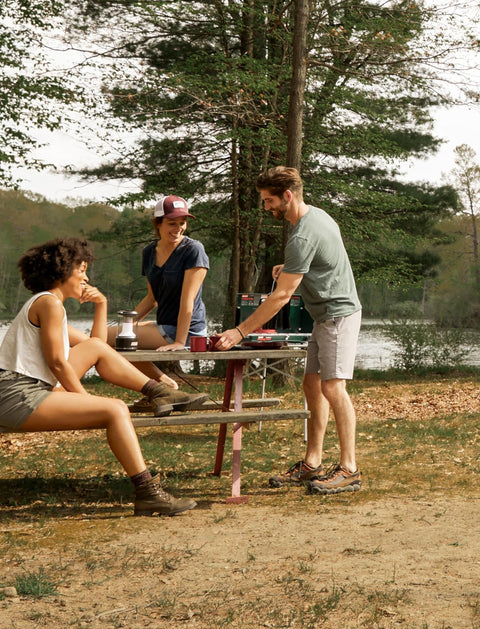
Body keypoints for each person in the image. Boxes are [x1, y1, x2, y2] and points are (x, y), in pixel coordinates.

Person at [0, 237, 198, 516]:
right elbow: (57, 363)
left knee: (94, 348)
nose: (86, 276)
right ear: (62, 271)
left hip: (28, 390)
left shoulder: (48, 304)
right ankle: (148, 493)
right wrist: (84, 399)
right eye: (81, 270)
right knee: (114, 409)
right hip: (15, 394)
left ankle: (158, 392)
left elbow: (97, 347)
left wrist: (101, 305)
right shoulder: (49, 305)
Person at [214, 166, 362, 494]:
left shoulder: (304, 234)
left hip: (338, 316)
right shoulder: (315, 218)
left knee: (334, 389)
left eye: (269, 201)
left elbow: (281, 296)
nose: (266, 207)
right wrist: (294, 270)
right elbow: (325, 263)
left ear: (288, 196)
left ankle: (350, 468)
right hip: (324, 318)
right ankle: (312, 464)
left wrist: (239, 332)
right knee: (313, 386)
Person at [109, 195, 210, 390]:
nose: (178, 228)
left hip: (188, 332)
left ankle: (160, 386)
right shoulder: (149, 252)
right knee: (118, 338)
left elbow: (187, 301)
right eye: (172, 223)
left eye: (183, 222)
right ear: (158, 223)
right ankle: (159, 386)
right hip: (164, 326)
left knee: (102, 336)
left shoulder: (193, 250)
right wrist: (128, 324)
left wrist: (180, 342)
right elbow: (152, 298)